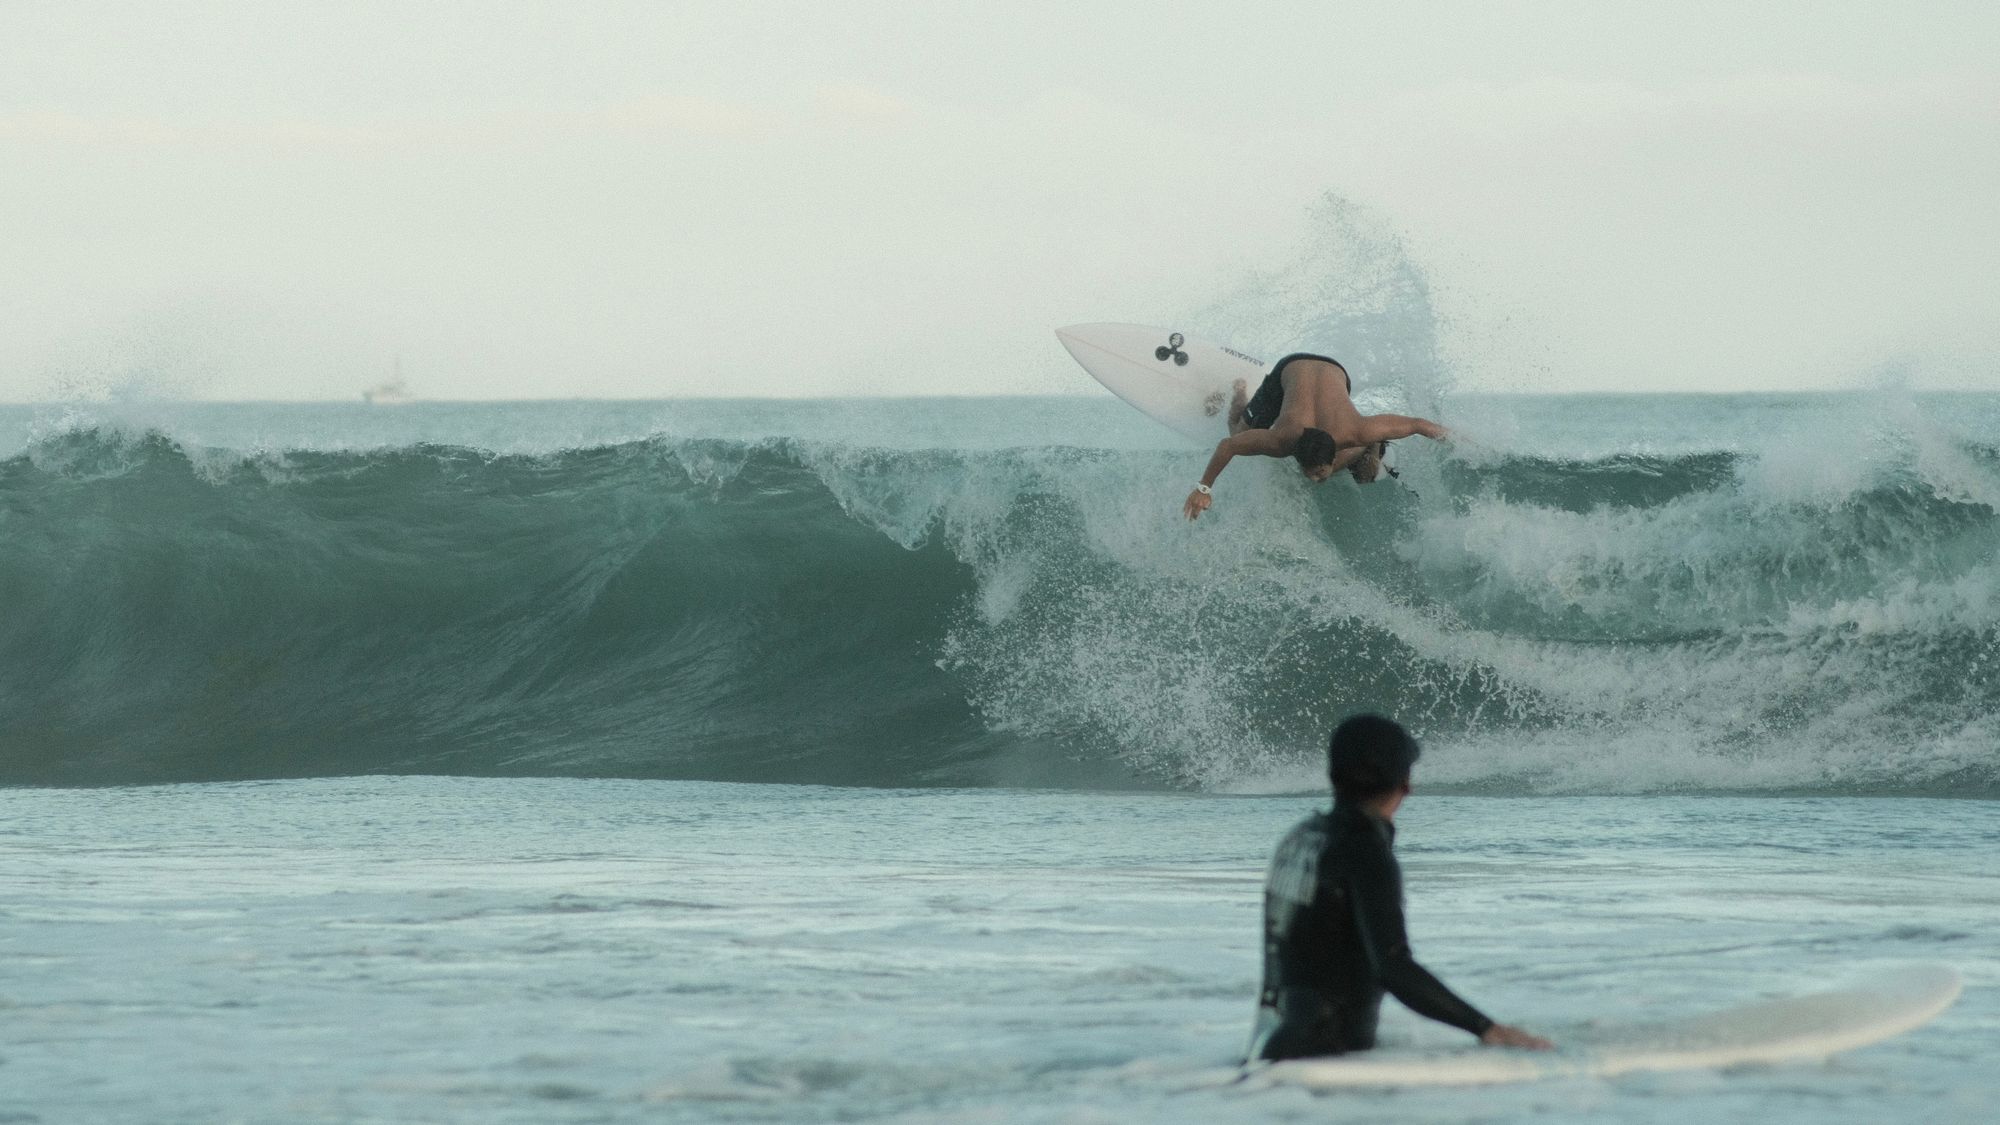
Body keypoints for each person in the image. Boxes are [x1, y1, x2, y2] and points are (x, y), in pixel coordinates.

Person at [1246, 714, 1551, 1061]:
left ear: (1333, 775)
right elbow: (1391, 966)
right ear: (1405, 783)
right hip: (1323, 1061)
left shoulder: (1302, 838)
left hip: (1277, 1049)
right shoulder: (1363, 851)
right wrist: (1487, 1028)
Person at [1183, 354, 1448, 520]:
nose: (1314, 478)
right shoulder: (1280, 441)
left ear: (1333, 453)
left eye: (1318, 471)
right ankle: (1238, 390)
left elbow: (1417, 425)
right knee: (1238, 431)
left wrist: (1459, 441)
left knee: (1358, 445)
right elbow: (1228, 445)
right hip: (1290, 367)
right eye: (1310, 472)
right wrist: (1203, 488)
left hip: (1337, 371)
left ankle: (1371, 449)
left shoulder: (1356, 431)